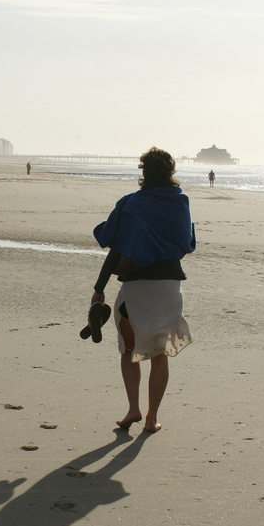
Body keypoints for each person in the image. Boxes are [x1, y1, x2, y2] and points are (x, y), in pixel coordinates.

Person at [90, 147, 195, 433]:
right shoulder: (181, 202)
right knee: (159, 353)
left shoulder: (131, 204)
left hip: (136, 288)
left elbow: (116, 249)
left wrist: (99, 289)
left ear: (143, 173)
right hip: (169, 286)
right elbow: (187, 242)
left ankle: (133, 409)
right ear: (171, 172)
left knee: (129, 349)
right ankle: (151, 418)